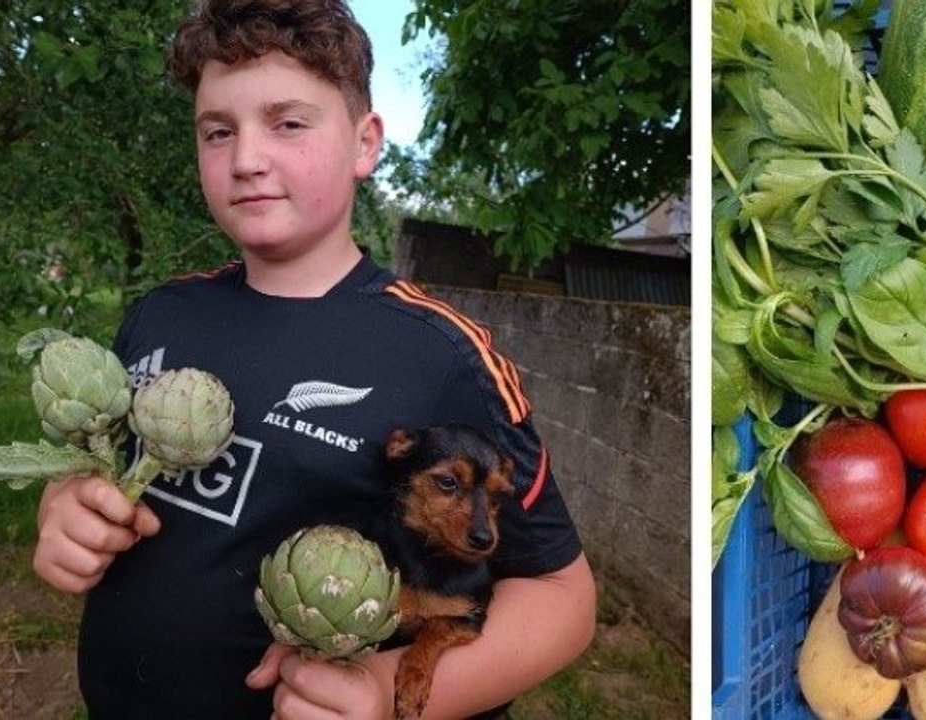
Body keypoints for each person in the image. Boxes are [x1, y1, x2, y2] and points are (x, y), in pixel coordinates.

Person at [30, 1, 596, 718]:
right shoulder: (160, 313)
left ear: (365, 144)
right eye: (217, 131)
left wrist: (384, 697)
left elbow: (562, 599)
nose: (247, 159)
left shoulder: (445, 355)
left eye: (288, 122)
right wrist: (65, 511)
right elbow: (95, 479)